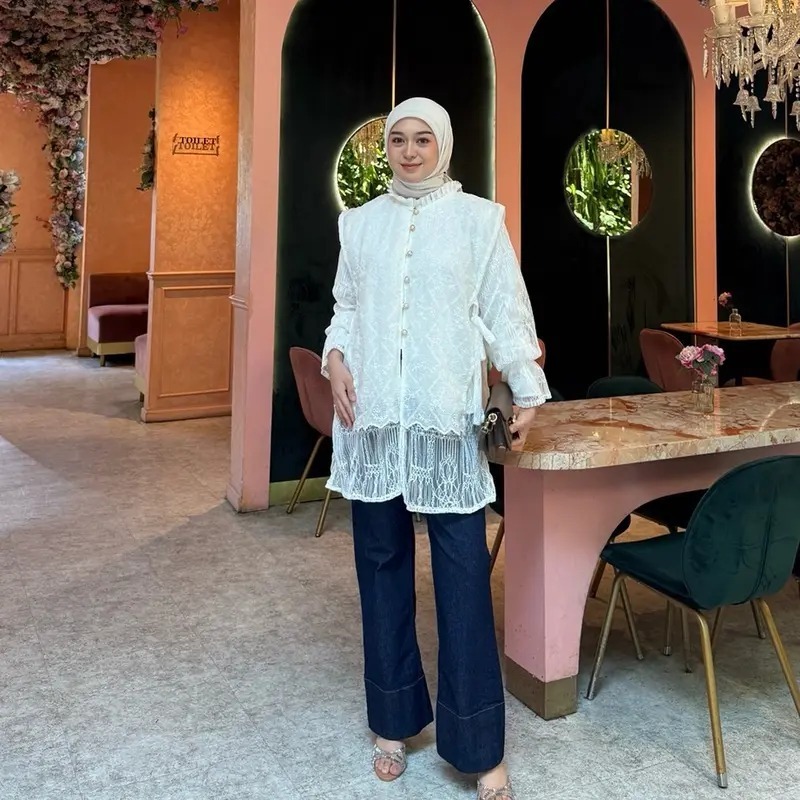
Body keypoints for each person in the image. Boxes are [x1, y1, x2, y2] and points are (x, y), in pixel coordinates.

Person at [321, 96, 550, 800]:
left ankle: (480, 748)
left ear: (443, 145)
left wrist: (527, 388)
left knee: (463, 580)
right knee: (380, 568)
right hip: (372, 422)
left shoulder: (479, 220)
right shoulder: (359, 223)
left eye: (423, 139)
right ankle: (392, 723)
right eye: (398, 139)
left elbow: (505, 310)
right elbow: (346, 306)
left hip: (444, 421)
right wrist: (334, 357)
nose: (410, 151)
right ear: (385, 147)